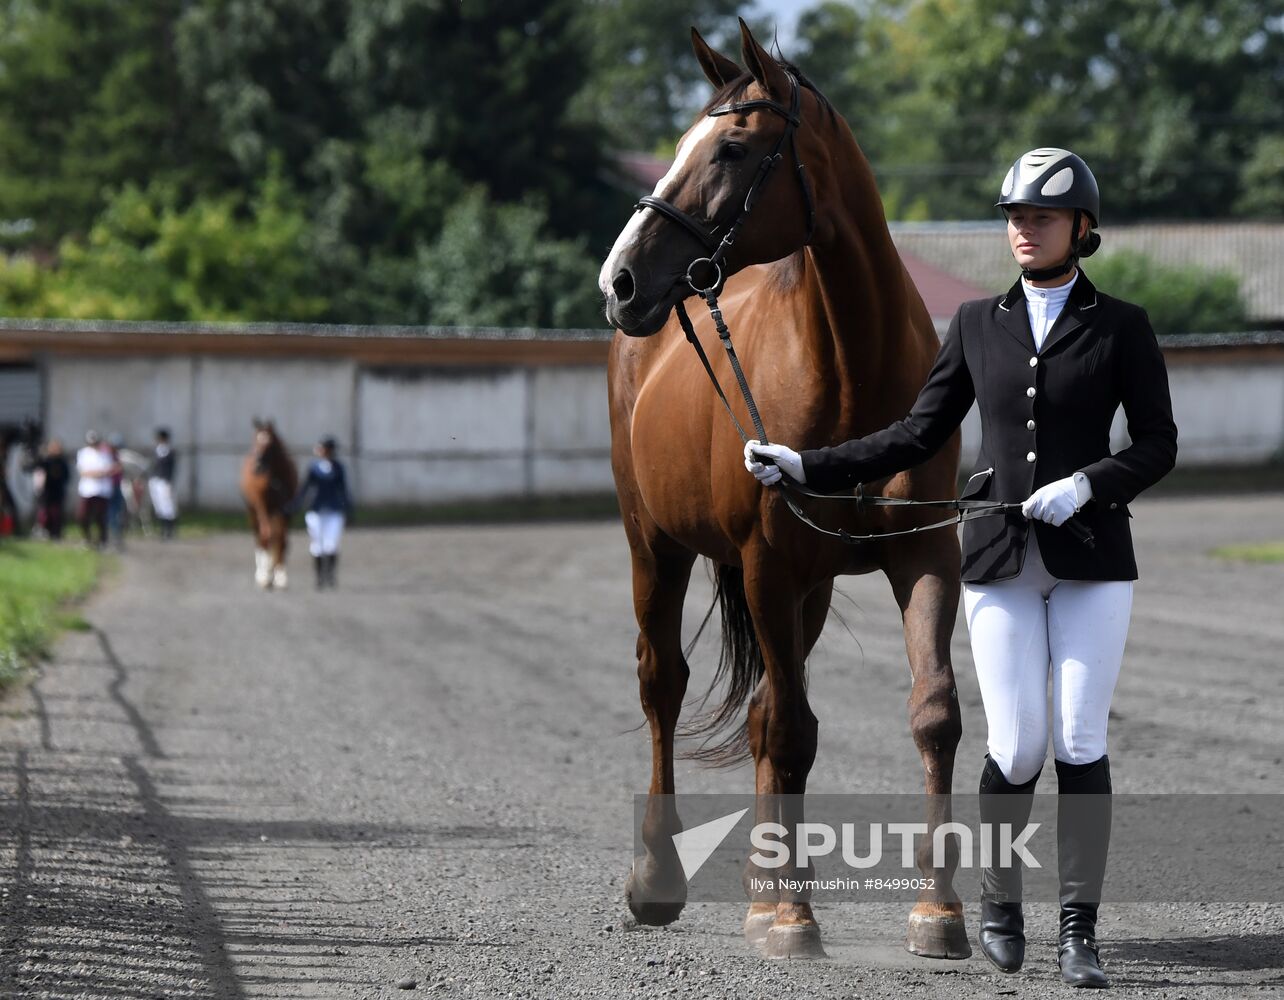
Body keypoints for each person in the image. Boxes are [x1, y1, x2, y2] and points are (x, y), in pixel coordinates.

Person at [744, 148, 1177, 987]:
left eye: (1041, 217)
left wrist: (1089, 483)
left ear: (1081, 230)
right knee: (1016, 746)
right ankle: (1000, 903)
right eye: (1015, 215)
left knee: (1080, 740)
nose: (1024, 228)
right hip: (1002, 559)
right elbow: (915, 433)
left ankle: (1080, 932)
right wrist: (808, 465)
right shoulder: (977, 324)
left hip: (1092, 560)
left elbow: (1159, 444)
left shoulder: (1123, 326)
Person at [289, 435, 353, 589]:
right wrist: (295, 504)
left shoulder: (338, 468)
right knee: (317, 545)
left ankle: (330, 575)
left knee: (331, 544)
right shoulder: (314, 468)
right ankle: (319, 578)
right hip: (316, 510)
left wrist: (349, 508)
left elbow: (343, 490)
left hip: (333, 511)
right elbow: (305, 488)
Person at [75, 431, 117, 549]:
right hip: (87, 489)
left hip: (102, 490)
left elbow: (109, 470)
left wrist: (98, 473)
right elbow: (83, 471)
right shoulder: (83, 453)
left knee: (100, 517)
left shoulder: (105, 454)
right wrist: (98, 473)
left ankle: (103, 540)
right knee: (82, 515)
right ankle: (87, 538)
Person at [29, 438, 71, 540]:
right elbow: (37, 468)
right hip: (47, 491)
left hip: (58, 491)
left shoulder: (62, 462)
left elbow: (66, 476)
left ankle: (56, 532)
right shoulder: (46, 461)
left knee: (56, 513)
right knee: (44, 512)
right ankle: (44, 530)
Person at [148, 427, 180, 540]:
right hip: (155, 480)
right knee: (159, 505)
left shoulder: (170, 451)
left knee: (168, 505)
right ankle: (162, 529)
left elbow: (171, 468)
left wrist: (169, 481)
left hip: (164, 481)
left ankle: (169, 529)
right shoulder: (156, 451)